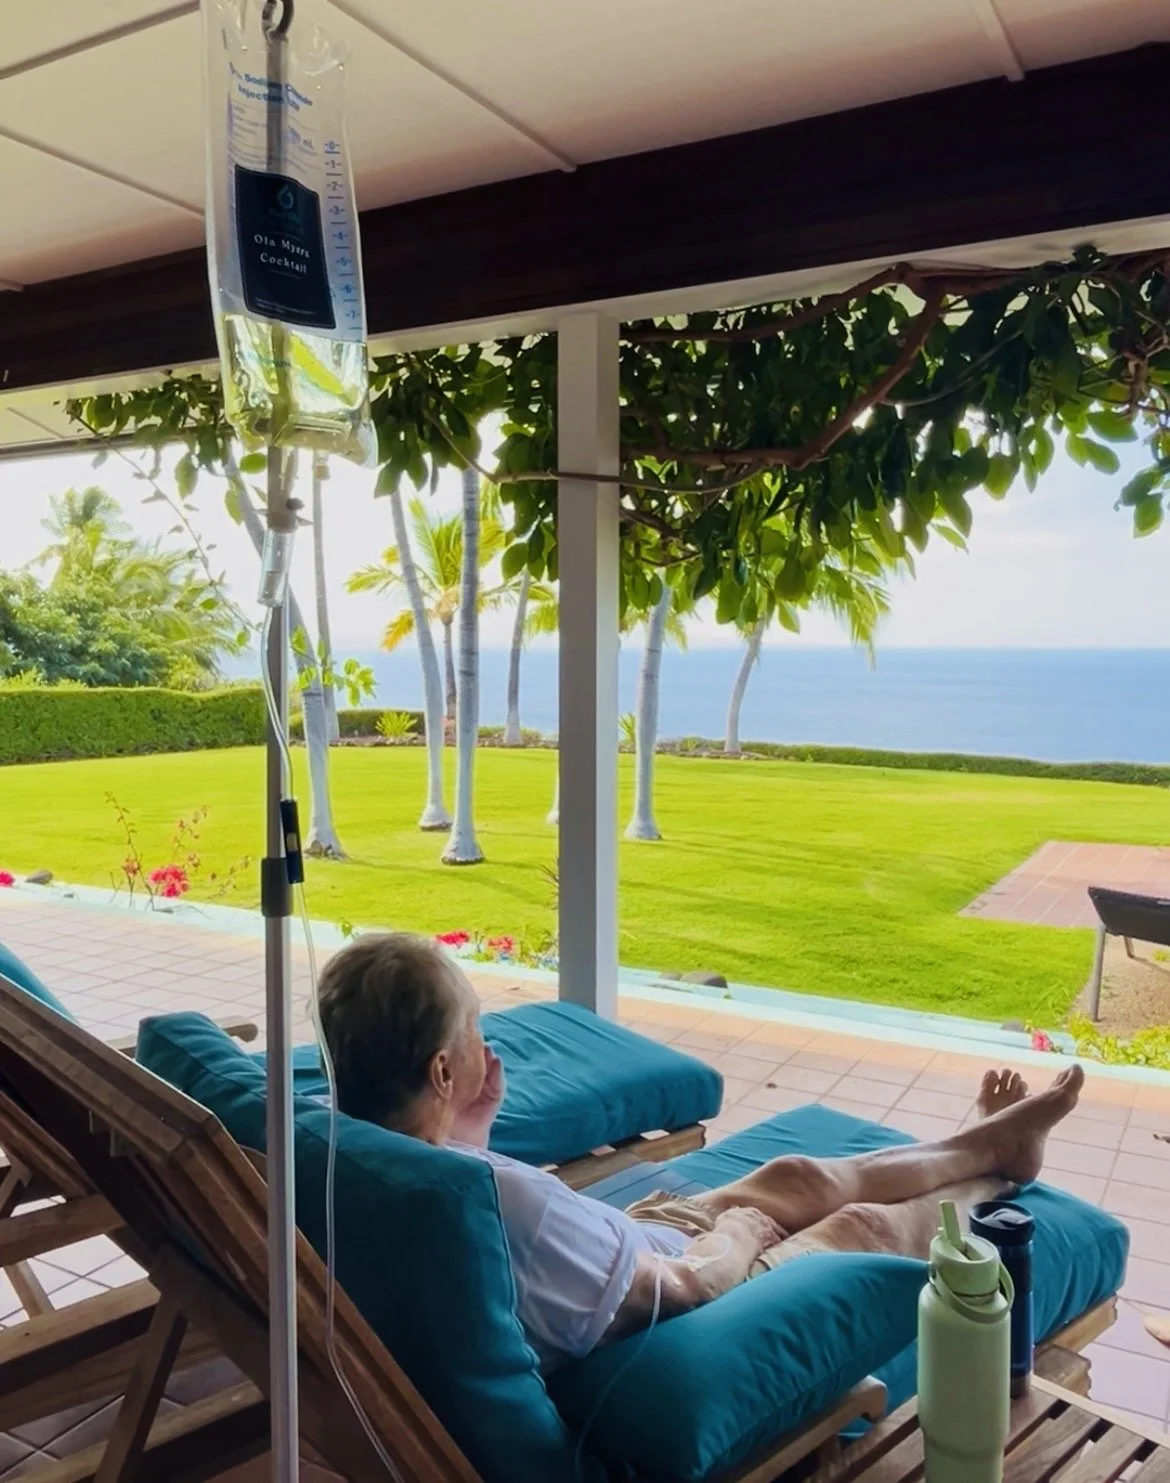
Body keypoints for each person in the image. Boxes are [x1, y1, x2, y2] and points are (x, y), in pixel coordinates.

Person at [317, 932, 1083, 1370]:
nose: (488, 1038)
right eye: (473, 1026)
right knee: (860, 1227)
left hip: (612, 1254)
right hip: (670, 1293)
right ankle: (990, 1178)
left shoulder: (337, 1150)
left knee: (795, 1173)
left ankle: (982, 1138)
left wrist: (471, 1123)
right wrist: (739, 1233)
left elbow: (462, 1187)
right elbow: (681, 1292)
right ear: (441, 1069)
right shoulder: (507, 1208)